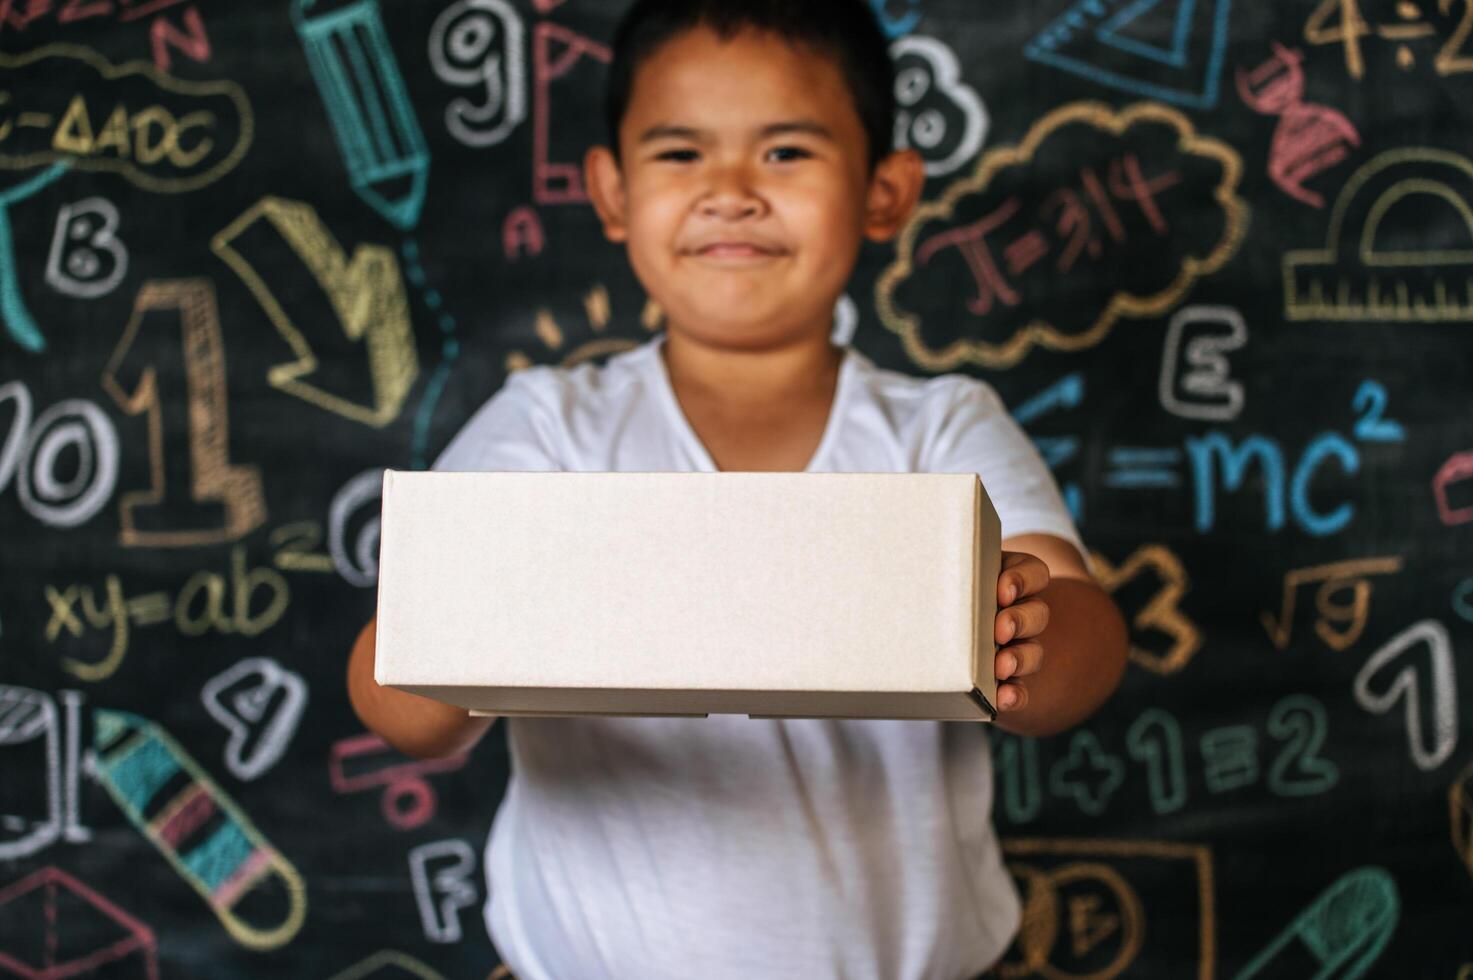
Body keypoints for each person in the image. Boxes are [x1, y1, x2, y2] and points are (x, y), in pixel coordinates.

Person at [347, 1, 1129, 976]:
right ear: (612, 191)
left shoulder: (942, 428)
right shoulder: (548, 427)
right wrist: (421, 651)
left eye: (786, 154)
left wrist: (1034, 632)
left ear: (885, 191)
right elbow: (409, 710)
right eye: (680, 155)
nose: (730, 193)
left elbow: (1075, 627)